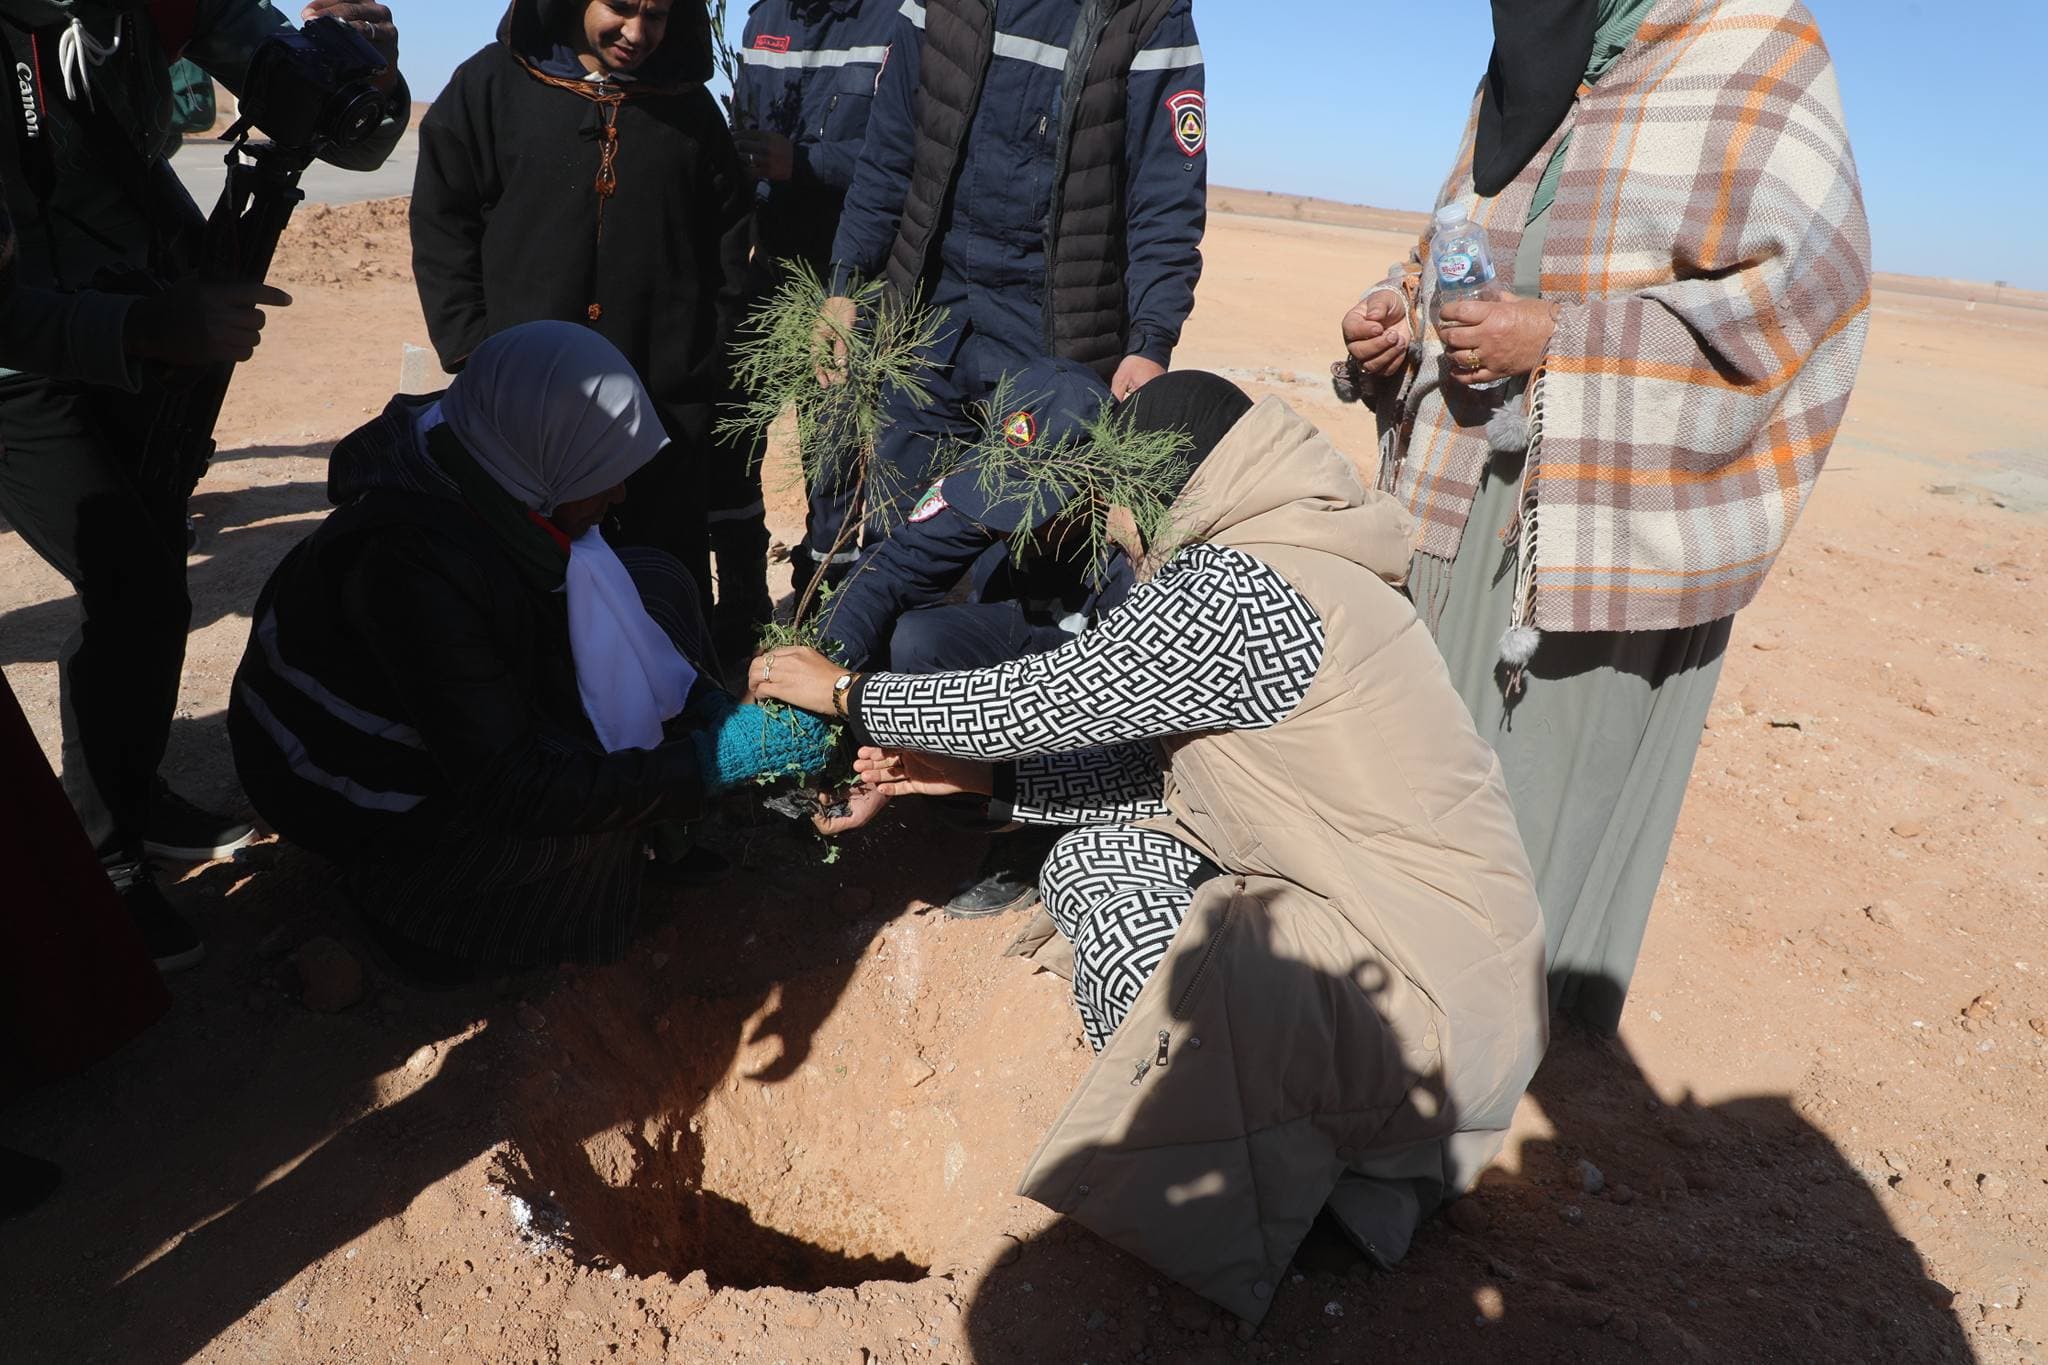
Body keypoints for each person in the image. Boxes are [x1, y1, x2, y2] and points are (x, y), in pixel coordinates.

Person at [752, 376, 1547, 1317]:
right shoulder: (1291, 561)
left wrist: (846, 694)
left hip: (1426, 1016)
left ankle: (1246, 1185)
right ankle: (1319, 1156)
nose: (1111, 514)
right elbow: (1172, 781)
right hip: (1443, 983)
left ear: (1170, 480)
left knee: (1100, 868)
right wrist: (975, 777)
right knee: (1122, 845)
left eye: (1119, 483)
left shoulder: (1244, 587)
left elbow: (1048, 699)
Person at [1340, 0, 1870, 1033]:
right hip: (1458, 496)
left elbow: (1808, 298)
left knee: (1514, 839)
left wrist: (1558, 338)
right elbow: (1460, 233)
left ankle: (1421, 1137)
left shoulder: (1754, 45)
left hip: (1608, 506)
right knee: (1406, 804)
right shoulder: (1543, 44)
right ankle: (1365, 1069)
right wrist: (1395, 320)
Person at [0, 0, 411, 965]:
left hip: (143, 308)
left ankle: (133, 798)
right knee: (135, 581)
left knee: (153, 571)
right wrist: (141, 331)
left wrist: (356, 97)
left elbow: (310, 97)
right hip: (24, 368)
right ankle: (106, 863)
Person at [227, 323, 835, 974]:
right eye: (601, 473)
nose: (619, 493)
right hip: (344, 786)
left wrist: (697, 706)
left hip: (448, 722)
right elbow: (513, 787)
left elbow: (599, 612)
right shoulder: (411, 566)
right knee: (583, 825)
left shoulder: (492, 462)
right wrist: (711, 760)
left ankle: (651, 818)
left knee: (655, 583)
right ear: (546, 451)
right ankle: (425, 917)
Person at [813, 357, 1248, 915]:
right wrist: (822, 681)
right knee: (919, 642)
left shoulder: (1147, 544)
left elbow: (1120, 711)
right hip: (1034, 636)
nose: (1006, 521)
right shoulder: (998, 467)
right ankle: (974, 807)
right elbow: (890, 568)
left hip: (1095, 683)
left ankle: (1032, 837)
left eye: (1033, 506)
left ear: (1097, 479)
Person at [411, 0, 752, 639]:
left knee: (658, 584)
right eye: (621, 7)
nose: (638, 33)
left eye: (657, 16)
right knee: (524, 581)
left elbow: (728, 239)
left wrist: (704, 356)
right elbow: (442, 223)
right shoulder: (488, 86)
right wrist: (472, 349)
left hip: (662, 397)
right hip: (524, 400)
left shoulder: (688, 107)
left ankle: (667, 714)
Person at [814, 0, 1207, 544]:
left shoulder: (1146, 15)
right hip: (927, 325)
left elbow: (1165, 198)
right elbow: (887, 152)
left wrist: (1151, 342)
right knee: (896, 535)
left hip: (1054, 339)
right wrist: (846, 280)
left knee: (1020, 558)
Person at [725, 0, 896, 615]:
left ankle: (824, 606)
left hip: (850, 284)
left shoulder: (897, 20)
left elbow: (902, 158)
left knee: (835, 453)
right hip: (766, 266)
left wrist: (801, 162)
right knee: (735, 433)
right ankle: (741, 596)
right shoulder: (764, 17)